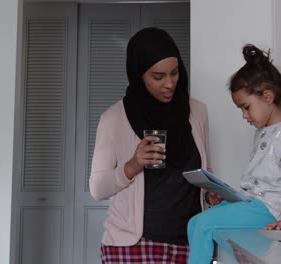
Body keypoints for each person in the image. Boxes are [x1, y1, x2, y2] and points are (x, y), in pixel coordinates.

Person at [89, 27, 212, 263]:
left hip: (190, 244)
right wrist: (133, 165)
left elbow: (203, 172)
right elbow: (97, 188)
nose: (169, 84)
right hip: (133, 247)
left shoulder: (197, 111)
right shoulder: (114, 119)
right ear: (139, 75)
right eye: (158, 77)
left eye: (175, 73)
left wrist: (210, 195)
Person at [187, 44, 281, 264]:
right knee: (196, 224)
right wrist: (228, 195)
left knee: (203, 224)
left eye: (246, 107)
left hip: (269, 209)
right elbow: (261, 179)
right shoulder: (263, 132)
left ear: (268, 96)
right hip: (253, 204)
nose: (244, 115)